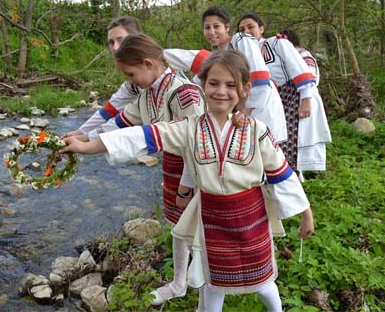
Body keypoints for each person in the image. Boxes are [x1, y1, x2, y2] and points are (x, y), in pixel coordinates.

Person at [61, 50, 314, 312]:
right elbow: (144, 136)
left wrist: (305, 212)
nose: (221, 91)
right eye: (214, 83)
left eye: (230, 85)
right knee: (214, 281)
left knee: (262, 281)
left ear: (245, 89)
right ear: (202, 85)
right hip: (212, 218)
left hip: (251, 217)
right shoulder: (187, 128)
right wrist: (88, 146)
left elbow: (280, 173)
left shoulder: (257, 130)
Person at [79, 33, 207, 305]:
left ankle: (207, 294)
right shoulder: (149, 93)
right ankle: (180, 283)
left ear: (148, 63)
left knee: (200, 232)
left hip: (197, 172)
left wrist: (186, 185)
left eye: (131, 74)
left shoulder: (184, 94)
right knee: (177, 225)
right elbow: (122, 121)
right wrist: (84, 138)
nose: (130, 81)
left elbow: (199, 145)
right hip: (173, 165)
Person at [164, 6, 287, 144]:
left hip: (262, 108)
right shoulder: (220, 56)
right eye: (207, 27)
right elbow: (198, 83)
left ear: (227, 27)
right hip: (246, 113)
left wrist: (244, 112)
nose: (211, 32)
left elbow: (260, 78)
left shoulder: (241, 39)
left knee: (264, 157)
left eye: (216, 26)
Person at [238, 12, 332, 174]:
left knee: (288, 147)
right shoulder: (245, 54)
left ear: (261, 29)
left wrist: (306, 99)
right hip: (274, 101)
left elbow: (300, 68)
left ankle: (291, 184)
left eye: (250, 27)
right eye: (242, 29)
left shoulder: (275, 43)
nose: (246, 31)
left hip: (292, 96)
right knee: (272, 145)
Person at [63, 16, 143, 138]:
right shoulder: (131, 85)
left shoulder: (165, 68)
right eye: (111, 42)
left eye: (120, 40)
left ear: (136, 39)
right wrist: (79, 133)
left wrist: (85, 138)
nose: (115, 47)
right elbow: (109, 110)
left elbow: (124, 120)